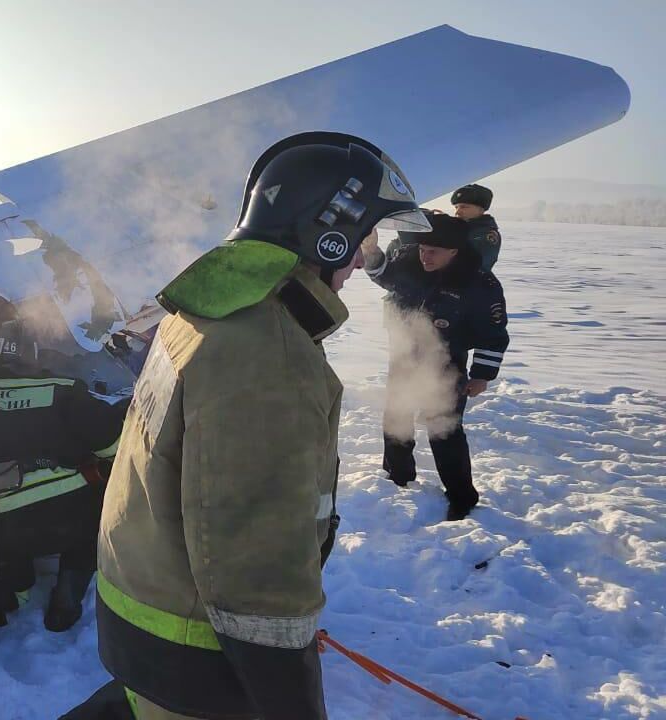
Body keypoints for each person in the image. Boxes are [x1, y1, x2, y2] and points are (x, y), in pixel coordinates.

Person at [63, 132, 430, 720]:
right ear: (328, 235)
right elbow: (258, 574)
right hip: (199, 658)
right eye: (364, 238)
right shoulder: (268, 354)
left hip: (144, 617)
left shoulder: (204, 314)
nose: (364, 258)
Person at [0, 320, 129, 665]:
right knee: (98, 501)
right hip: (54, 515)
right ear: (32, 357)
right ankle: (64, 605)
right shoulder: (57, 388)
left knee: (6, 571)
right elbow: (113, 441)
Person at [362, 210, 510, 521]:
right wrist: (372, 251)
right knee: (397, 419)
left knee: (444, 430)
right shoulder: (412, 261)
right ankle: (398, 478)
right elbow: (385, 276)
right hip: (404, 355)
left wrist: (482, 375)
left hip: (446, 363)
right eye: (422, 249)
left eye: (434, 252)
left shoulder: (480, 283)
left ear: (454, 252)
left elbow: (493, 334)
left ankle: (461, 497)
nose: (425, 257)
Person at [451, 183, 501, 271]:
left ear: (481, 209)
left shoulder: (486, 234)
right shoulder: (461, 228)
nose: (457, 212)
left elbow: (474, 266)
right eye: (456, 207)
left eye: (464, 207)